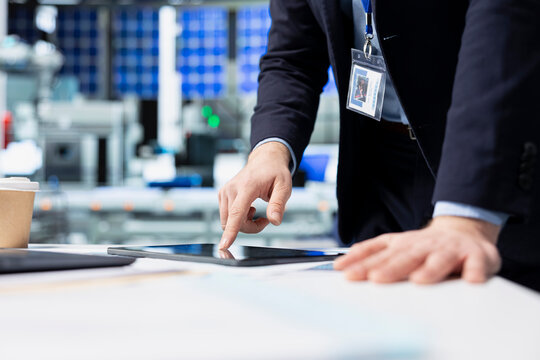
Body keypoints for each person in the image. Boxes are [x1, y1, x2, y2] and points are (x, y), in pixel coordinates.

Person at [218, 0, 540, 290]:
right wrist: (270, 149)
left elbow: (506, 24)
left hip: (485, 165)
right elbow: (292, 56)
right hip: (377, 175)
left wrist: (466, 217)